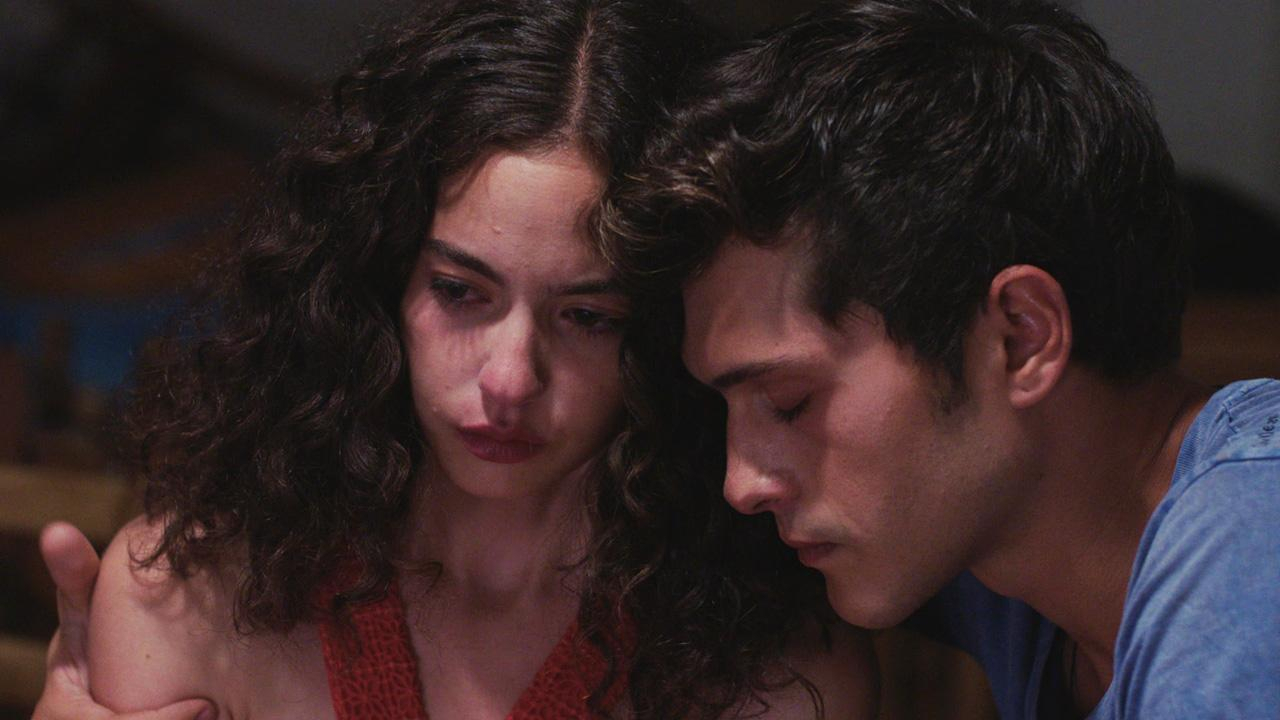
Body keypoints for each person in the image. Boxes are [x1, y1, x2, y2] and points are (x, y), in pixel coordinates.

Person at [32, 1, 874, 718]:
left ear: (672, 331)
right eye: (460, 292)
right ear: (376, 281)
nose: (509, 380)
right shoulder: (190, 594)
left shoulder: (771, 679)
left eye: (588, 317)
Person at [603, 0, 1280, 718]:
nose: (741, 484)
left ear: (1021, 337)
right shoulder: (992, 531)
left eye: (789, 401)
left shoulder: (1253, 535)